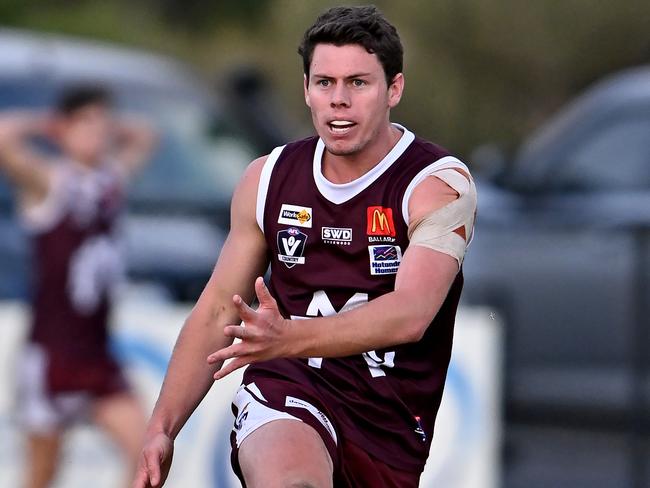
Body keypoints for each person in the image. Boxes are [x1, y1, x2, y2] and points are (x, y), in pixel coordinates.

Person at [134, 5, 477, 488]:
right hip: (289, 386)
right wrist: (162, 427)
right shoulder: (267, 178)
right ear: (306, 90)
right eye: (325, 83)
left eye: (358, 83)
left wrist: (285, 336)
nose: (339, 100)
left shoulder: (436, 184)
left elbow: (411, 313)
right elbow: (217, 310)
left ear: (393, 89)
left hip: (388, 422)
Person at [0, 85, 157, 488]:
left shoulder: (111, 180)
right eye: (84, 123)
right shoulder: (49, 181)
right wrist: (49, 125)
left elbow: (147, 135)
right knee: (42, 474)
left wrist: (107, 126)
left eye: (100, 123)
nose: (96, 133)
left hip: (97, 352)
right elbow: (4, 136)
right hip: (52, 356)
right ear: (64, 128)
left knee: (147, 454)